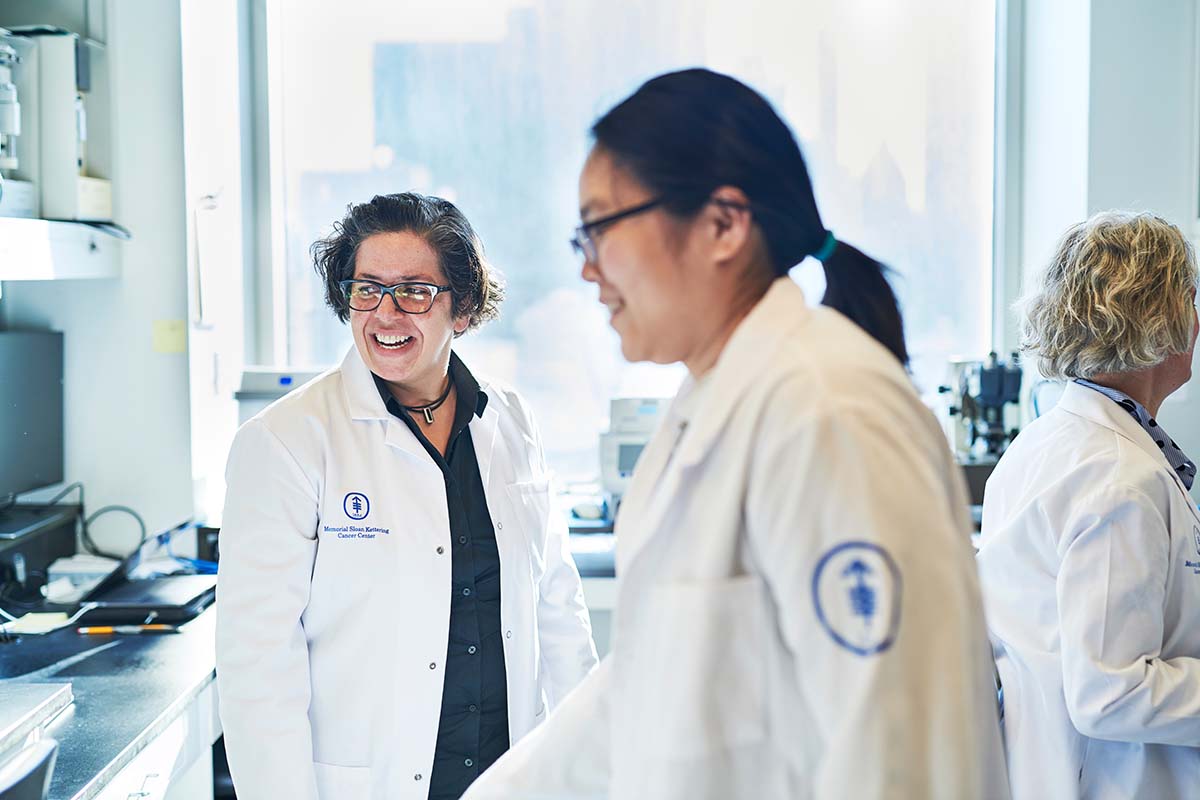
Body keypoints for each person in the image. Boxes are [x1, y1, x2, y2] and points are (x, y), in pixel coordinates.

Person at [464, 68, 1008, 800]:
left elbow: (899, 750)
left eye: (599, 227)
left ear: (723, 223)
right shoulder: (707, 407)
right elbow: (640, 695)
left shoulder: (828, 412)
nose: (588, 269)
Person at [216, 192, 598, 800]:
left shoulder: (512, 420)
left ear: (463, 307)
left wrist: (589, 769)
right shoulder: (286, 442)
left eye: (415, 292)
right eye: (366, 289)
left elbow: (558, 607)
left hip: (508, 775)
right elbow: (257, 664)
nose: (385, 314)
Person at [977, 211, 1200, 799]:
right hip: (1111, 780)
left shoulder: (1047, 444)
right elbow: (1112, 693)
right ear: (1165, 320)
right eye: (1191, 300)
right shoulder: (1117, 478)